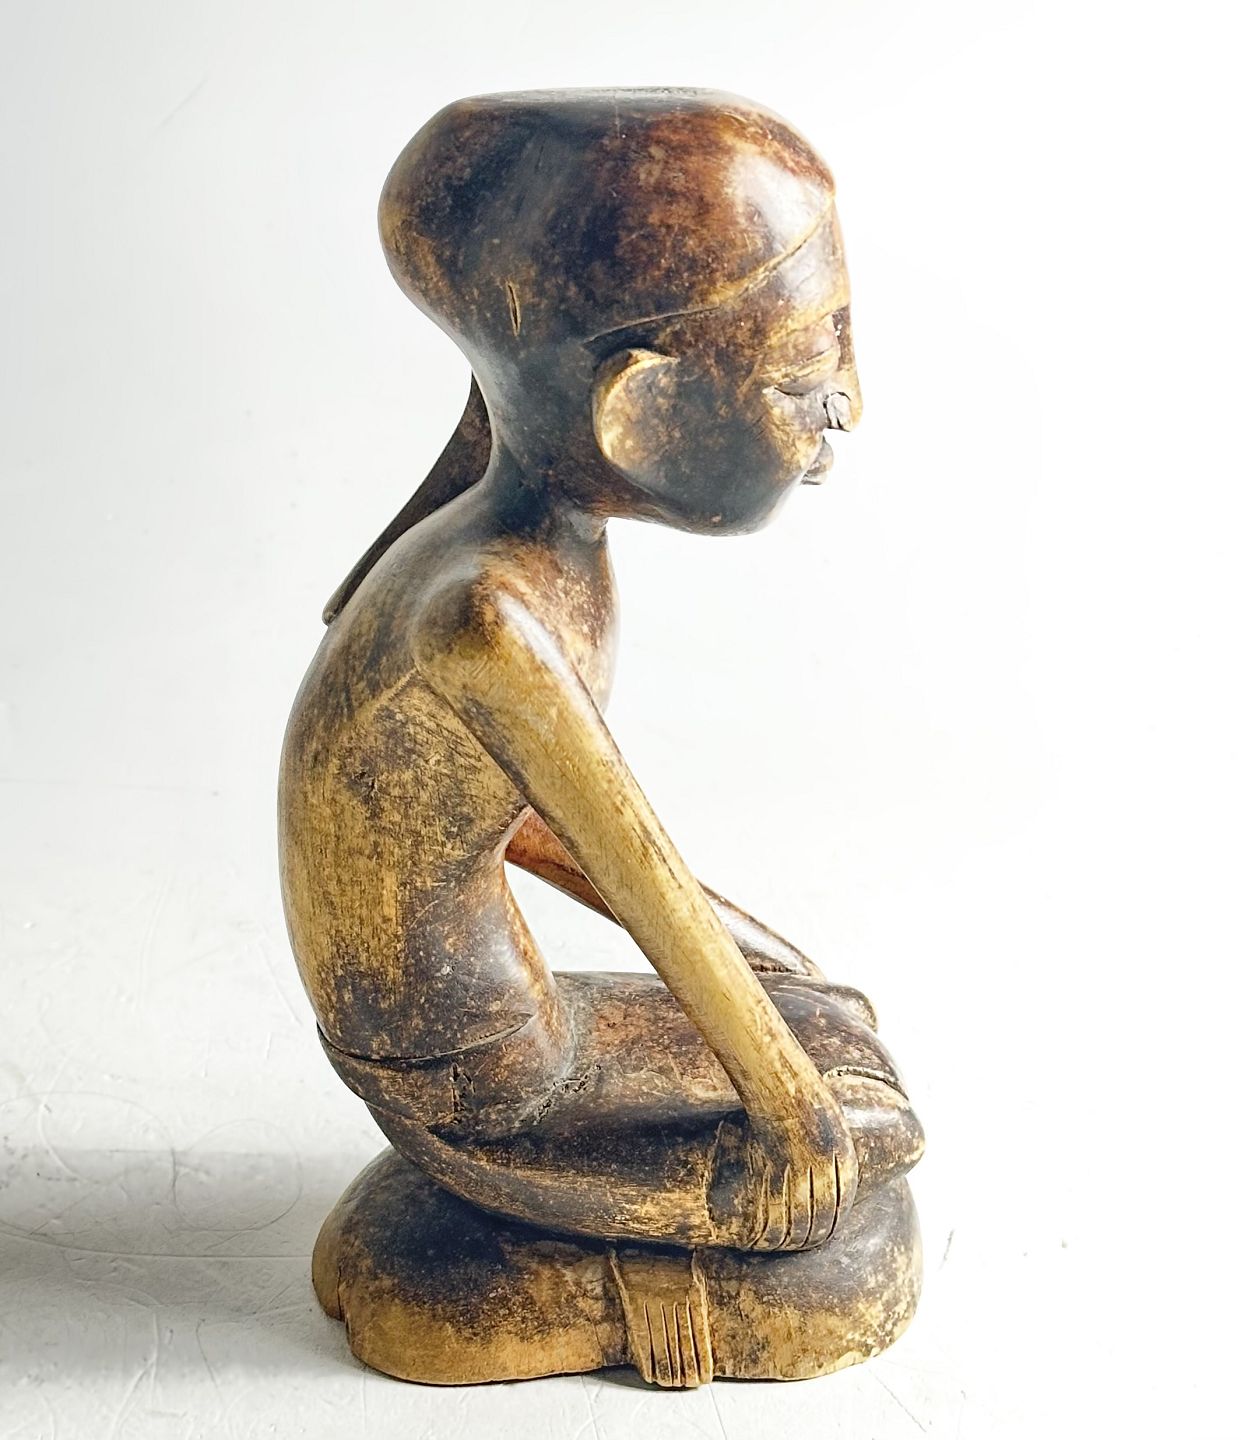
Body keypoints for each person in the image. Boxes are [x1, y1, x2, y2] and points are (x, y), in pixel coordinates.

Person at [279, 90, 921, 1254]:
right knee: (871, 1120)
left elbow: (516, 828)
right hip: (475, 1076)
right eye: (802, 372)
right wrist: (796, 1121)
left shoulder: (526, 555)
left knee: (835, 1023)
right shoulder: (485, 615)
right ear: (640, 408)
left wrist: (782, 975)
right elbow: (639, 878)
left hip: (497, 1013)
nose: (850, 407)